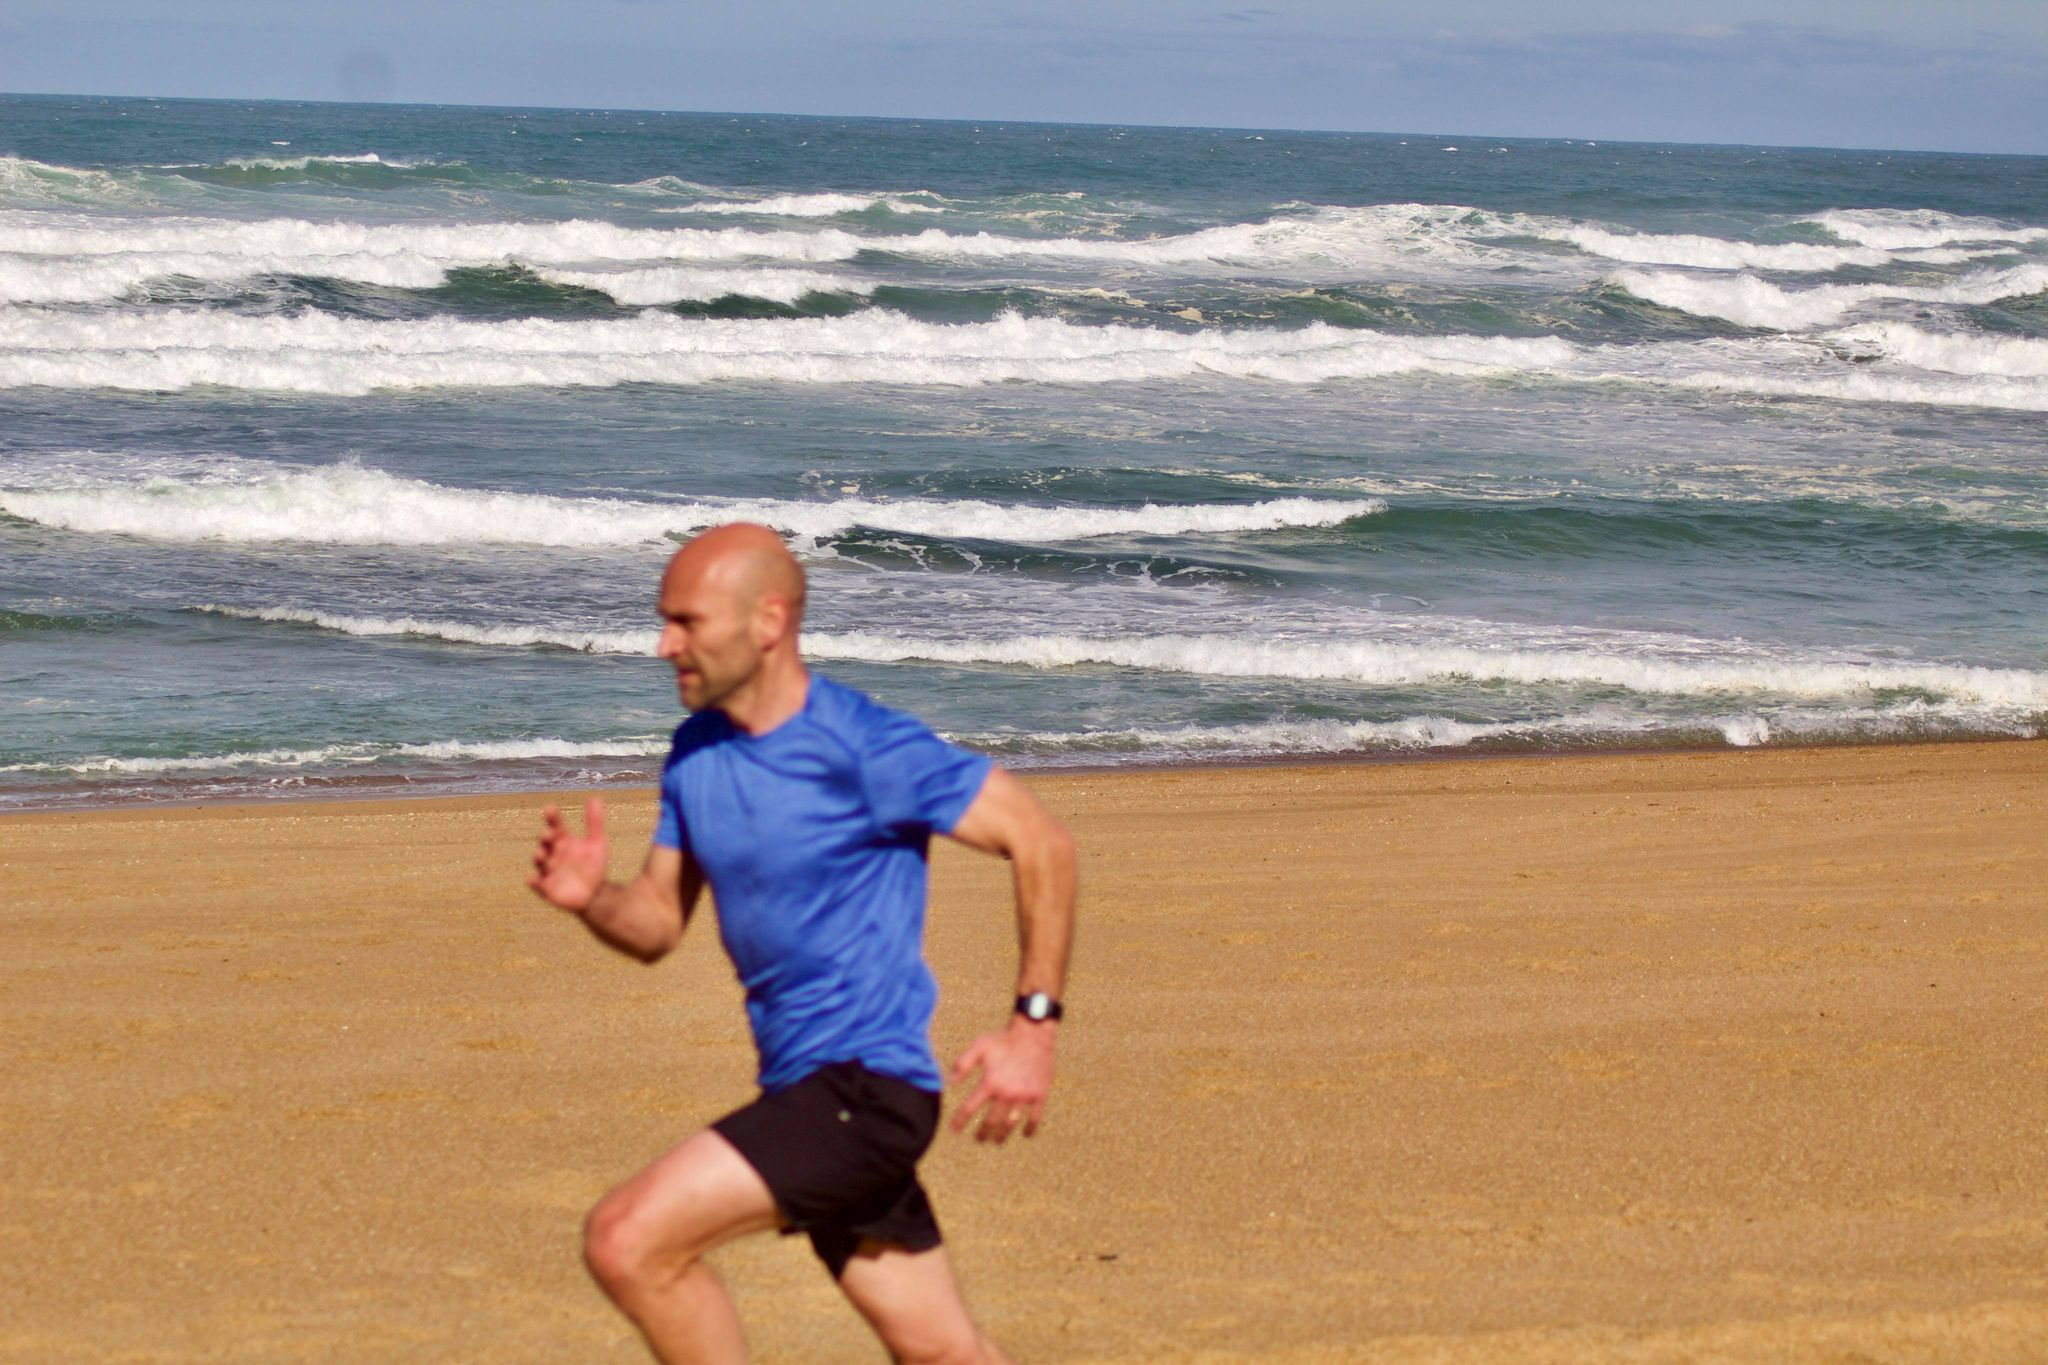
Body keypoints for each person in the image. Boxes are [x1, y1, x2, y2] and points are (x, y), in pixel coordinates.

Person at [526, 523, 1077, 1365]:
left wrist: (1032, 1029)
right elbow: (656, 925)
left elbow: (1042, 841)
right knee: (940, 1349)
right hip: (801, 1083)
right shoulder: (696, 753)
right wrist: (590, 898)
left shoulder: (864, 745)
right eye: (663, 620)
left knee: (628, 1238)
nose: (664, 643)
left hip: (865, 1089)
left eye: (687, 621)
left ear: (769, 621)